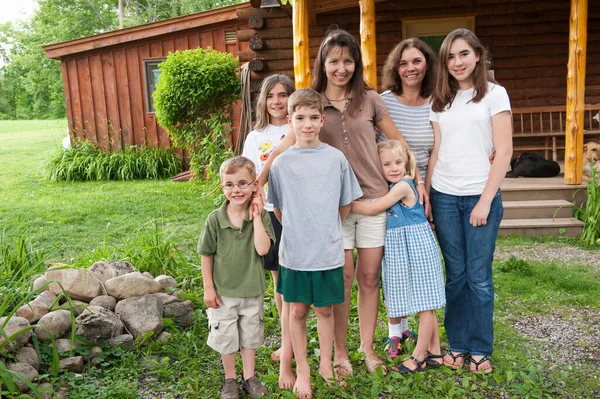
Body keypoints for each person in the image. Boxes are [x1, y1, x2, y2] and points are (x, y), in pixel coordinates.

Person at [257, 29, 426, 377]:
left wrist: (416, 180)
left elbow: (398, 141)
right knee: (342, 278)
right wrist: (255, 185)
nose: (341, 67)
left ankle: (366, 349)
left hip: (375, 200)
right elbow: (281, 150)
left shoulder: (371, 100)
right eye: (334, 60)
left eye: (348, 61)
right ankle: (339, 353)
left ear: (356, 64)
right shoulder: (313, 104)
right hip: (333, 209)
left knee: (368, 277)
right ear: (323, 62)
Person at [427, 28, 513, 374]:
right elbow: (437, 150)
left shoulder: (495, 95)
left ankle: (480, 348)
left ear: (478, 55)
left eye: (464, 54)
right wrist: (430, 195)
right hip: (444, 196)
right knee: (455, 274)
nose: (457, 62)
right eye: (450, 56)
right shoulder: (441, 100)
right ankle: (458, 344)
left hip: (480, 194)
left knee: (478, 276)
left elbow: (504, 151)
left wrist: (485, 201)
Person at [268, 88, 362, 399]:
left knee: (324, 310)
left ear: (322, 120)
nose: (306, 124)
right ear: (289, 121)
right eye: (300, 118)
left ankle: (325, 364)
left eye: (312, 118)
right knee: (296, 312)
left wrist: (325, 227)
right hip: (295, 253)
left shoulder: (336, 159)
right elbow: (278, 209)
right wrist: (300, 228)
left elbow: (345, 204)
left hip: (327, 251)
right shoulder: (281, 164)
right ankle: (303, 371)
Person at [350, 140, 445, 373]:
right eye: (387, 164)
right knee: (423, 300)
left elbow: (373, 209)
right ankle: (436, 351)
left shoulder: (403, 185)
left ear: (406, 163)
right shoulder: (392, 186)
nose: (394, 168)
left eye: (398, 162)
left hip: (418, 247)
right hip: (403, 248)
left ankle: (419, 355)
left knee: (426, 303)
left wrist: (344, 203)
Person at [378, 38, 438, 358]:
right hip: (395, 190)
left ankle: (433, 339)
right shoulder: (385, 101)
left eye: (416, 61)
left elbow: (444, 142)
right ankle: (399, 332)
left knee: (426, 267)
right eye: (403, 63)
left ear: (426, 64)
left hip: (429, 188)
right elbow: (377, 147)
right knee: (397, 268)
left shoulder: (437, 101)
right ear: (395, 68)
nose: (410, 68)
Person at [198, 156, 275, 399]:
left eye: (242, 183)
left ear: (255, 185)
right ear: (222, 188)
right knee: (227, 337)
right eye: (229, 184)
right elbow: (206, 255)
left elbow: (263, 249)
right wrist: (208, 288)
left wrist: (256, 217)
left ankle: (249, 377)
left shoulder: (261, 217)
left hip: (252, 290)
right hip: (223, 293)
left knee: (250, 337)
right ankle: (230, 379)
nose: (236, 190)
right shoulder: (215, 219)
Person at [242, 74, 295, 371]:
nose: (277, 101)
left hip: (297, 213)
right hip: (269, 212)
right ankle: (286, 339)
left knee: (295, 275)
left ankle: (296, 330)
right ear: (263, 100)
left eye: (283, 94)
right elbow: (249, 175)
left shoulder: (298, 126)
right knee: (278, 278)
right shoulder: (256, 135)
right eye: (271, 95)